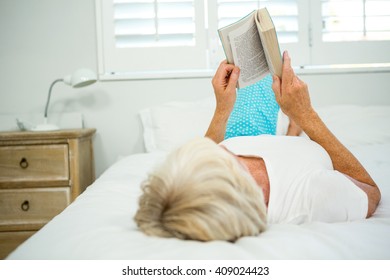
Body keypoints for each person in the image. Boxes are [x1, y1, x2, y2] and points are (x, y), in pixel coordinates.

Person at [134, 51, 381, 242]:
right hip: (301, 153)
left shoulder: (200, 171)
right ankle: (293, 132)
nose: (210, 153)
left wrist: (222, 109)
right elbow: (370, 191)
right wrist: (306, 115)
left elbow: (203, 152)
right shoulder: (312, 194)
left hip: (272, 147)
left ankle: (290, 133)